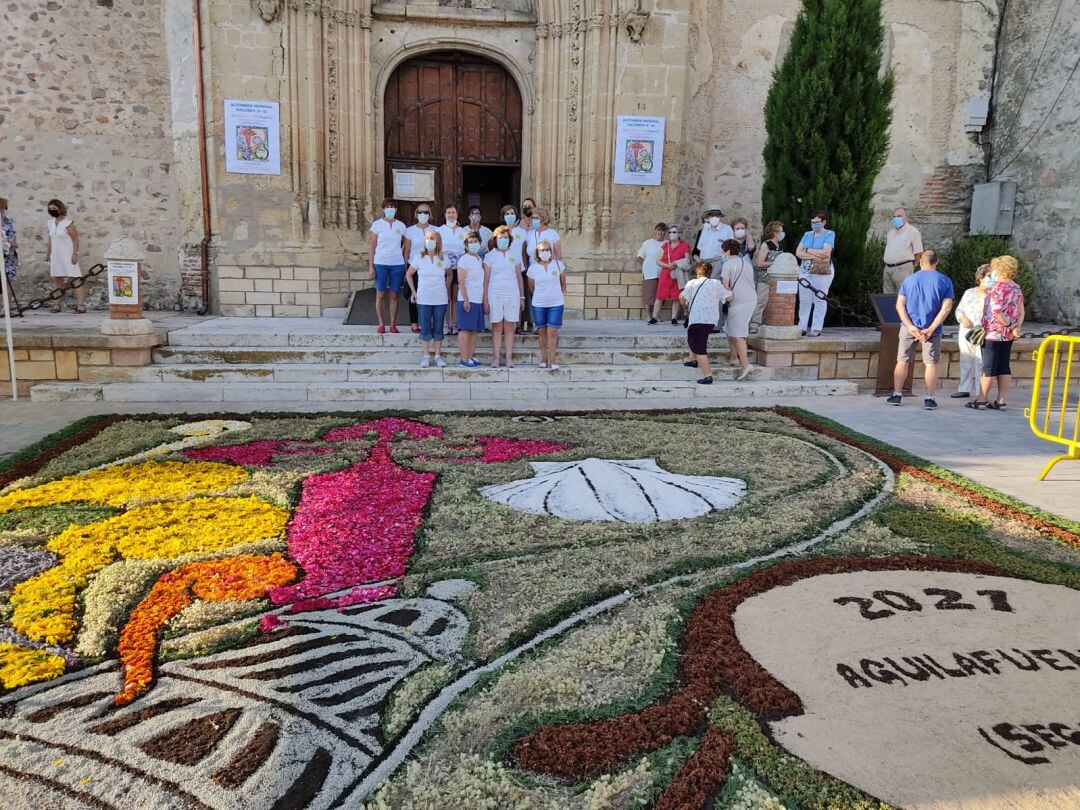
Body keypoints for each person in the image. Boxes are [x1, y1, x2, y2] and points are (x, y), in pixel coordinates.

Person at [888, 249, 954, 410]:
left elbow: (900, 305)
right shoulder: (945, 281)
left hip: (909, 327)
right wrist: (931, 328)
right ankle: (929, 398)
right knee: (931, 363)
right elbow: (946, 308)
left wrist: (910, 326)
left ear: (920, 263)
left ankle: (897, 395)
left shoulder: (909, 280)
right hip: (932, 329)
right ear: (936, 262)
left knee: (902, 360)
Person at [969, 255, 1025, 411]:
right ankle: (1001, 401)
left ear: (1000, 270)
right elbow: (1021, 310)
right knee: (1003, 366)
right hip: (1008, 334)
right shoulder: (1016, 287)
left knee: (988, 367)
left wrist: (1008, 324)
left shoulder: (998, 288)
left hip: (993, 332)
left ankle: (981, 400)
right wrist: (1016, 326)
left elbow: (996, 312)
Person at [404, 229, 451, 368]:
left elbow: (449, 274)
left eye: (433, 238)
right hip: (423, 298)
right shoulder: (419, 257)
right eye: (428, 238)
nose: (430, 241)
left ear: (438, 242)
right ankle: (426, 356)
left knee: (438, 328)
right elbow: (408, 274)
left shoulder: (444, 258)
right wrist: (413, 292)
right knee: (425, 328)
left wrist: (446, 287)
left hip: (440, 299)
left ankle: (437, 356)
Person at [679, 261, 730, 385]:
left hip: (697, 319)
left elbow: (681, 297)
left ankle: (708, 375)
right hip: (711, 320)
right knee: (693, 338)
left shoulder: (691, 283)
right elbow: (729, 297)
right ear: (709, 272)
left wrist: (685, 307)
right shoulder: (716, 283)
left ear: (697, 271)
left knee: (699, 347)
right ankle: (693, 360)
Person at [484, 225, 525, 367]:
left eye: (506, 237)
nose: (503, 240)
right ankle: (496, 358)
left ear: (510, 239)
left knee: (509, 326)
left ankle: (508, 358)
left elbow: (520, 277)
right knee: (496, 327)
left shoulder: (515, 255)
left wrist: (522, 298)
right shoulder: (489, 256)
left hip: (512, 294)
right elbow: (486, 279)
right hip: (494, 294)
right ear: (495, 239)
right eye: (501, 238)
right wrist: (485, 300)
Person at [368, 197, 410, 334]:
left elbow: (407, 245)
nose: (390, 209)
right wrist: (371, 266)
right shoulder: (377, 225)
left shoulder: (401, 226)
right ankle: (381, 323)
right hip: (380, 263)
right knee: (380, 293)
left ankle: (392, 324)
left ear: (396, 209)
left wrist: (405, 267)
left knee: (394, 294)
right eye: (387, 207)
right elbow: (372, 246)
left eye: (392, 207)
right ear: (383, 209)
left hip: (397, 264)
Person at [951, 264, 993, 399]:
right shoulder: (969, 292)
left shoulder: (994, 295)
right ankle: (964, 388)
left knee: (982, 361)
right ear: (981, 277)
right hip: (967, 331)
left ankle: (979, 391)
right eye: (989, 276)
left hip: (983, 332)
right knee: (966, 359)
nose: (992, 280)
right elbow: (959, 309)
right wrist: (962, 318)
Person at [719, 239, 756, 380]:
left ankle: (746, 365)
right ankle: (733, 358)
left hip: (738, 302)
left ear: (727, 251)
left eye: (723, 251)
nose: (722, 253)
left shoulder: (727, 264)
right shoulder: (746, 263)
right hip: (751, 298)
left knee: (738, 333)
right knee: (729, 328)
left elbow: (725, 286)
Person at [794, 210, 835, 336]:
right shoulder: (807, 234)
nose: (814, 224)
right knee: (804, 300)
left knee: (819, 298)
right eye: (812, 222)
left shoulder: (829, 234)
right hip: (805, 270)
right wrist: (815, 253)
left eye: (817, 222)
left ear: (823, 222)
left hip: (822, 270)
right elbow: (798, 252)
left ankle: (816, 328)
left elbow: (826, 253)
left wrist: (808, 250)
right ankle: (802, 326)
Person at [528, 239, 567, 370]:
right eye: (542, 250)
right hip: (539, 304)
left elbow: (563, 284)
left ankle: (553, 359)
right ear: (537, 253)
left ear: (551, 251)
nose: (544, 252)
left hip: (556, 303)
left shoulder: (558, 265)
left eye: (547, 249)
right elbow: (531, 287)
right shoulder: (533, 268)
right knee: (542, 332)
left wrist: (557, 295)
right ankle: (544, 359)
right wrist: (541, 296)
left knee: (552, 331)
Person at [45, 199, 85, 313]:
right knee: (57, 279)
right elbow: (50, 240)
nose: (52, 210)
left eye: (54, 208)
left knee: (76, 278)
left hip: (68, 255)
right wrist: (48, 254)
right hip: (56, 255)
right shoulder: (50, 223)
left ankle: (81, 305)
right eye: (50, 209)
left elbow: (76, 240)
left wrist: (75, 254)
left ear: (60, 209)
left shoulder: (68, 223)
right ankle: (56, 304)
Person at [456, 231, 486, 368]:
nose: (474, 244)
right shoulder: (464, 260)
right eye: (471, 242)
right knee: (465, 330)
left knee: (474, 330)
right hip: (466, 299)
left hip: (477, 299)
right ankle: (464, 358)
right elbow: (461, 282)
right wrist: (466, 300)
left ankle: (471, 356)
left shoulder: (479, 259)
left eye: (476, 241)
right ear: (466, 245)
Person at [403, 202, 433, 333]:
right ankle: (414, 323)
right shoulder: (409, 230)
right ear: (416, 214)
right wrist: (405, 270)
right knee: (414, 294)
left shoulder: (435, 230)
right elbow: (406, 251)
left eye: (426, 212)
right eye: (420, 212)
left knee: (429, 294)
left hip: (430, 266)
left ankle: (428, 322)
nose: (423, 215)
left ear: (430, 214)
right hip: (413, 266)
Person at [751, 221, 784, 332]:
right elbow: (760, 263)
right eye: (780, 231)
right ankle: (754, 325)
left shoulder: (780, 245)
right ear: (775, 232)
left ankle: (766, 324)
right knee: (761, 301)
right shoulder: (766, 244)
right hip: (764, 279)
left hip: (775, 280)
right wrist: (776, 263)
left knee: (771, 303)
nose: (782, 233)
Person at [439, 203, 467, 335]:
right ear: (444, 214)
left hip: (459, 267)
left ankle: (455, 323)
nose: (451, 215)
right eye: (448, 212)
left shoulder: (464, 231)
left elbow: (467, 249)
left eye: (453, 212)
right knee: (445, 296)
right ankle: (445, 324)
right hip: (445, 267)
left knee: (455, 297)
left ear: (457, 214)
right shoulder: (440, 230)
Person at [882, 207, 924, 295]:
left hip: (903, 269)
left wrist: (913, 266)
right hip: (888, 269)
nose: (896, 218)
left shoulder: (912, 231)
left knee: (903, 296)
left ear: (907, 218)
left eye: (899, 216)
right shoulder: (890, 233)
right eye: (894, 217)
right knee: (887, 297)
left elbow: (918, 252)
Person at [654, 225, 688, 324]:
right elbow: (658, 260)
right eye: (670, 232)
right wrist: (667, 265)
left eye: (674, 232)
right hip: (665, 273)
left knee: (676, 297)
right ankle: (654, 317)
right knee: (660, 295)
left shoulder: (684, 246)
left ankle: (674, 318)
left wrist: (676, 263)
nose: (671, 234)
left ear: (679, 234)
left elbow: (687, 260)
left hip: (677, 273)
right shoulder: (665, 245)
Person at [692, 205, 734, 275]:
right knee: (703, 284)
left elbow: (731, 249)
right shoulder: (704, 230)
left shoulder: (727, 229)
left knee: (715, 283)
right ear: (708, 217)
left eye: (717, 215)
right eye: (712, 215)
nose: (714, 217)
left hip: (718, 262)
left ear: (720, 217)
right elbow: (700, 248)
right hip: (703, 262)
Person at [637, 222, 666, 323]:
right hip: (650, 273)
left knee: (660, 295)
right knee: (649, 295)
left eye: (662, 231)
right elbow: (640, 256)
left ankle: (656, 315)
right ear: (655, 231)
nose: (660, 232)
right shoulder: (647, 243)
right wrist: (646, 266)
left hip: (662, 273)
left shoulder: (666, 243)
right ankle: (648, 315)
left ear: (665, 232)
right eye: (658, 230)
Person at [1, 197, 18, 306]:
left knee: (7, 281)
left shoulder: (6, 221)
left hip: (8, 256)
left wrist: (10, 243)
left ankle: (5, 307)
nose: (4, 209)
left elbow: (14, 240)